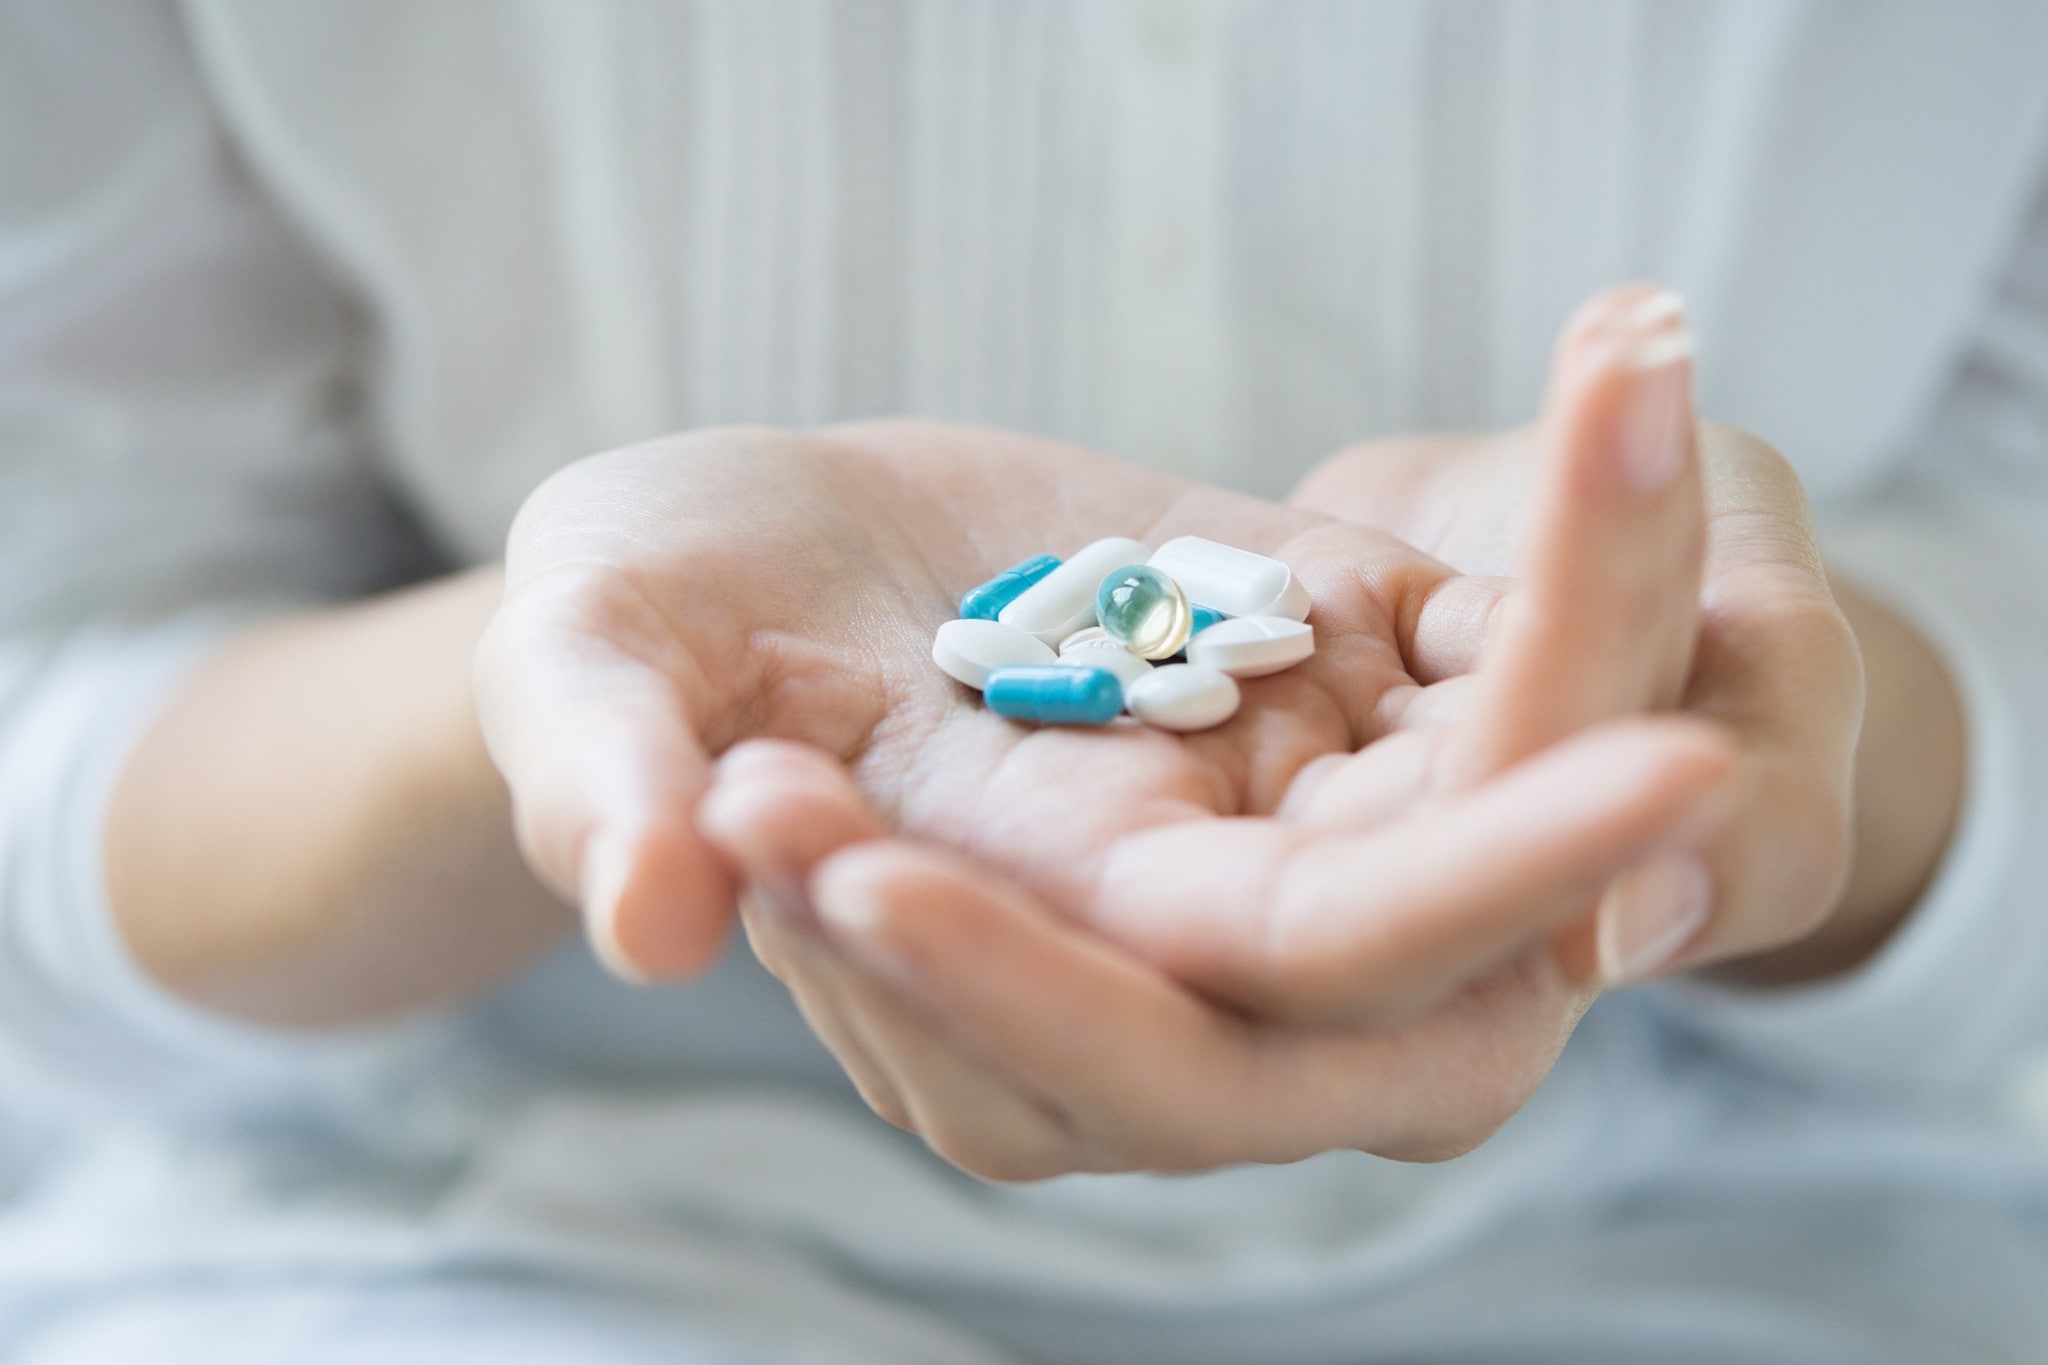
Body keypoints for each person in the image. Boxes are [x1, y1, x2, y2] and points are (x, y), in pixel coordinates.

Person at [3, 2, 2046, 1360]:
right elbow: (65, 694)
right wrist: (555, 685)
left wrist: (1738, 717)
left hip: (1756, 1246)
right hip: (470, 1239)